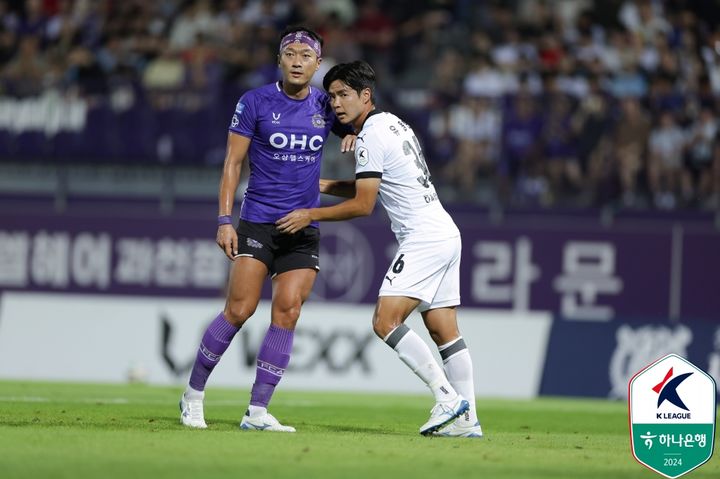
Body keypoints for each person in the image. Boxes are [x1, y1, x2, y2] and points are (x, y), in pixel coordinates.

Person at [276, 60, 483, 438]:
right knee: (443, 330)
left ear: (365, 96)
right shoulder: (394, 123)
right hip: (444, 231)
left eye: (344, 95)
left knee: (385, 321)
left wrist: (310, 213)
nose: (336, 103)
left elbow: (363, 204)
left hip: (423, 236)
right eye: (333, 95)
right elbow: (372, 184)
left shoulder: (371, 135)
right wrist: (323, 183)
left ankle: (447, 399)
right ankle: (468, 422)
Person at [179, 26, 355, 432]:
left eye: (305, 55)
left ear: (318, 63)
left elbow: (364, 118)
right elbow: (232, 164)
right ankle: (193, 395)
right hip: (258, 220)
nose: (297, 61)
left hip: (303, 224)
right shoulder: (254, 101)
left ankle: (257, 411)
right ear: (280, 59)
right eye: (290, 53)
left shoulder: (327, 106)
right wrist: (225, 219)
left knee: (288, 312)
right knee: (239, 310)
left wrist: (359, 132)